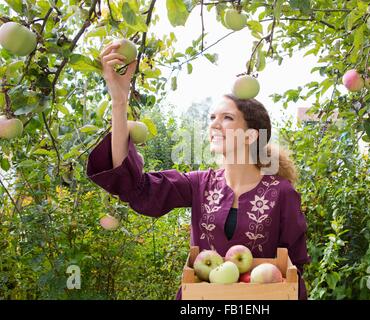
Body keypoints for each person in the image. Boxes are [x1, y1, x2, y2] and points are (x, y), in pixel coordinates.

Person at [86, 42, 311, 300]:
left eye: (227, 118)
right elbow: (135, 187)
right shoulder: (199, 185)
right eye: (212, 117)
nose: (214, 124)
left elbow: (293, 273)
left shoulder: (282, 193)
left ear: (251, 136)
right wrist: (119, 99)